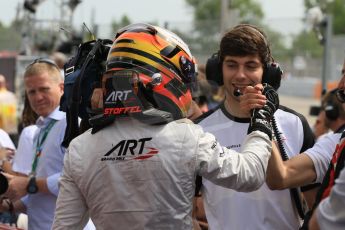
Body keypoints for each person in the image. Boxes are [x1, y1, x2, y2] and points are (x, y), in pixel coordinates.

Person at [52, 23, 278, 229]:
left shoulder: (79, 148)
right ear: (162, 76)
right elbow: (251, 174)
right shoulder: (185, 136)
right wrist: (261, 122)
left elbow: (64, 226)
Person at [196, 24, 315, 230]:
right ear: (218, 69)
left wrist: (261, 117)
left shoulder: (295, 124)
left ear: (268, 73)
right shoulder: (198, 131)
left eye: (250, 66)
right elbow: (186, 211)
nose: (241, 75)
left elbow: (317, 204)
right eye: (232, 65)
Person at [266, 59, 345, 228]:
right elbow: (280, 177)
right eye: (342, 73)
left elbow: (318, 223)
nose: (341, 84)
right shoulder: (336, 141)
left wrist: (261, 118)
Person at [0, 58, 67, 229]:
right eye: (32, 92)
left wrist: (29, 184)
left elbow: (75, 180)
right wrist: (9, 206)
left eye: (44, 89)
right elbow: (40, 195)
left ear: (61, 88)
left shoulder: (70, 124)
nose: (38, 97)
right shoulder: (40, 129)